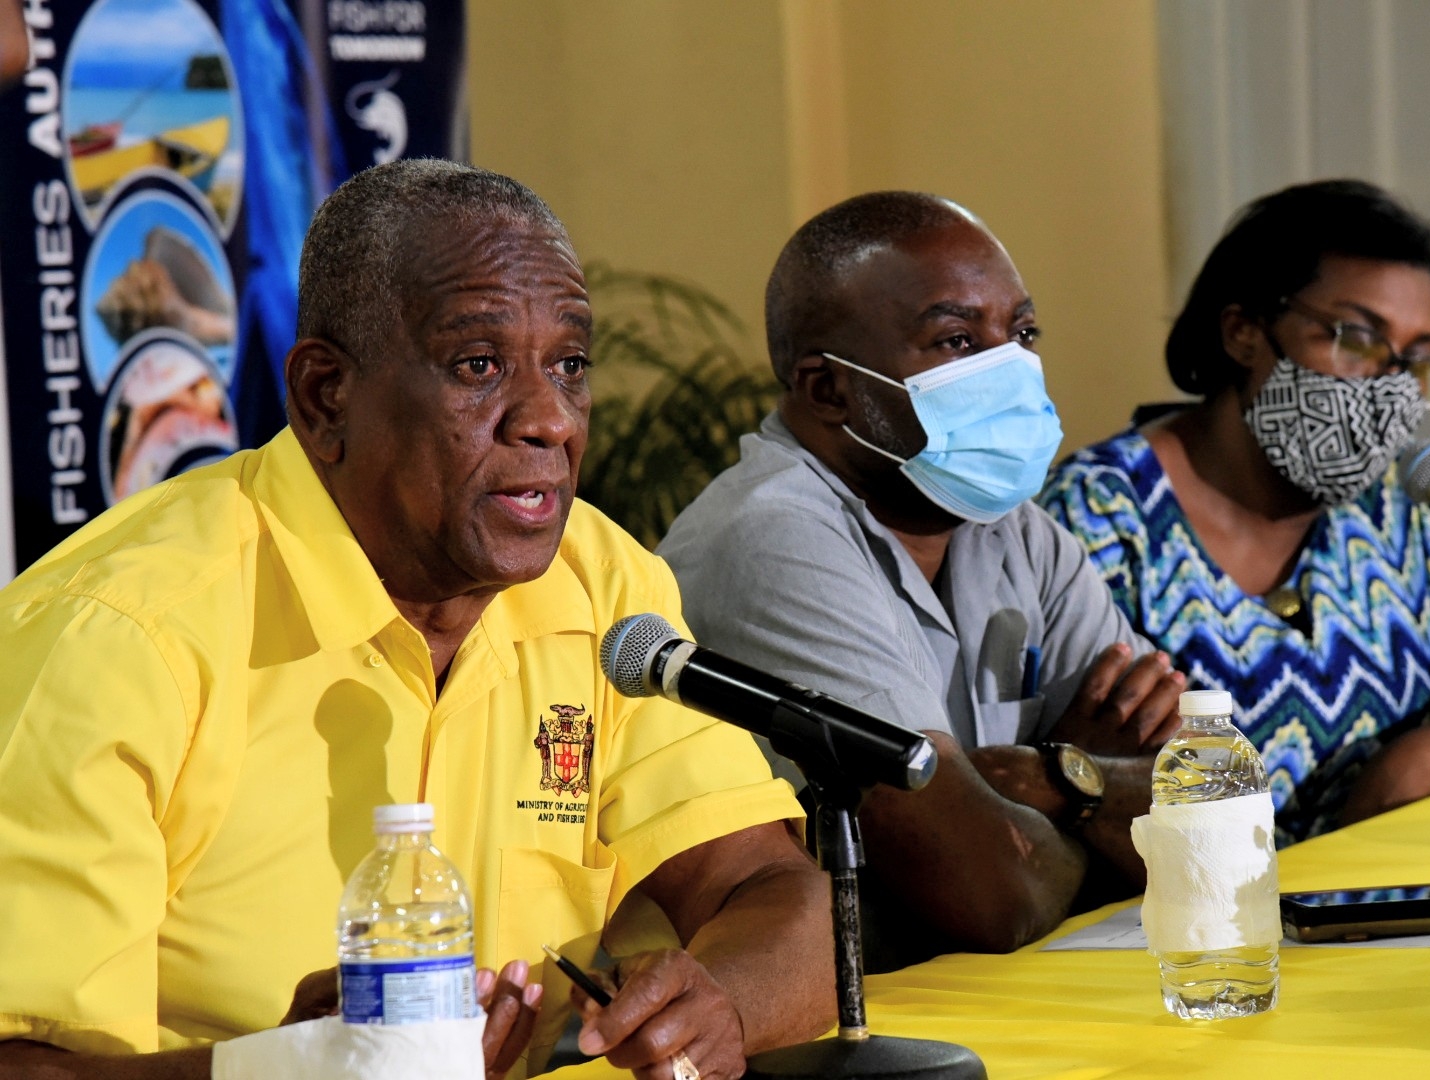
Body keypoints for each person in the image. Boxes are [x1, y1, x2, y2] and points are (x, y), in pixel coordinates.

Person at [0, 160, 834, 1080]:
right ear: (327, 397)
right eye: (479, 367)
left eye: (569, 366)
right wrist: (285, 1069)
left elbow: (771, 892)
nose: (550, 421)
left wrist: (716, 1008)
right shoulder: (119, 634)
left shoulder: (601, 585)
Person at [658, 192, 1183, 969]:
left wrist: (1061, 777)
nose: (1009, 368)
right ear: (829, 388)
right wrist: (1094, 795)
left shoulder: (1012, 527)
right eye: (957, 340)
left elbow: (1224, 819)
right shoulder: (771, 537)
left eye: (1023, 334)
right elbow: (991, 895)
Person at [1040, 179, 1430, 844]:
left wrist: (1419, 761)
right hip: (1185, 929)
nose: (1389, 386)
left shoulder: (1403, 508)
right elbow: (1072, 765)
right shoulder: (1101, 516)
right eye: (1357, 338)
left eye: (1417, 360)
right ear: (1244, 331)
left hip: (1396, 922)